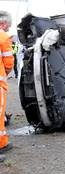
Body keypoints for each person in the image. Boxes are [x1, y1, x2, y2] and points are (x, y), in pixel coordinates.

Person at [0, 11, 14, 162]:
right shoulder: (3, 37)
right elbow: (9, 63)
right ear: (3, 24)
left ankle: (2, 143)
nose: (8, 30)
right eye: (8, 26)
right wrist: (6, 72)